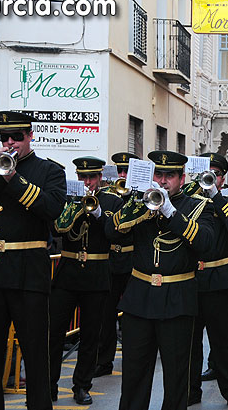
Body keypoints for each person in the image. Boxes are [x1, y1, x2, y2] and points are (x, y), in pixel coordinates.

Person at [0, 111, 66, 409]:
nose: (10, 143)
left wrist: (13, 178)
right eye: (4, 137)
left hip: (27, 272)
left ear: (30, 136)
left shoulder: (49, 171)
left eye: (16, 137)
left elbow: (52, 209)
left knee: (35, 352)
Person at [106, 150, 214, 410]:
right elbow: (111, 233)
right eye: (159, 174)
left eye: (170, 176)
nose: (164, 181)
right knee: (134, 373)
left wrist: (169, 210)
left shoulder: (198, 206)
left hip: (177, 298)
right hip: (139, 297)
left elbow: (206, 243)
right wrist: (136, 206)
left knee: (177, 375)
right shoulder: (139, 202)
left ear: (182, 178)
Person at [49, 157, 123, 404]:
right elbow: (57, 229)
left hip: (97, 274)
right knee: (54, 331)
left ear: (101, 177)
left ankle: (82, 385)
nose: (88, 182)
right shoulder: (67, 198)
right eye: (83, 177)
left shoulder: (112, 200)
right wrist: (74, 206)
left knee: (92, 335)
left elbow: (113, 232)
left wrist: (97, 211)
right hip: (68, 271)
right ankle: (48, 384)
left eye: (92, 177)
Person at [189, 152, 228, 409]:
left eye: (217, 173)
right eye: (207, 172)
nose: (212, 177)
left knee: (224, 340)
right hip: (190, 279)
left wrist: (215, 195)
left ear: (224, 177)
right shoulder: (189, 199)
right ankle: (190, 390)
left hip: (220, 280)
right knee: (189, 341)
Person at [95, 152, 139, 378]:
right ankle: (104, 361)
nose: (122, 176)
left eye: (126, 172)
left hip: (132, 262)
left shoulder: (141, 197)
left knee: (132, 315)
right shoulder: (108, 197)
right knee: (106, 314)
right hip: (112, 261)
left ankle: (134, 359)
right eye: (119, 172)